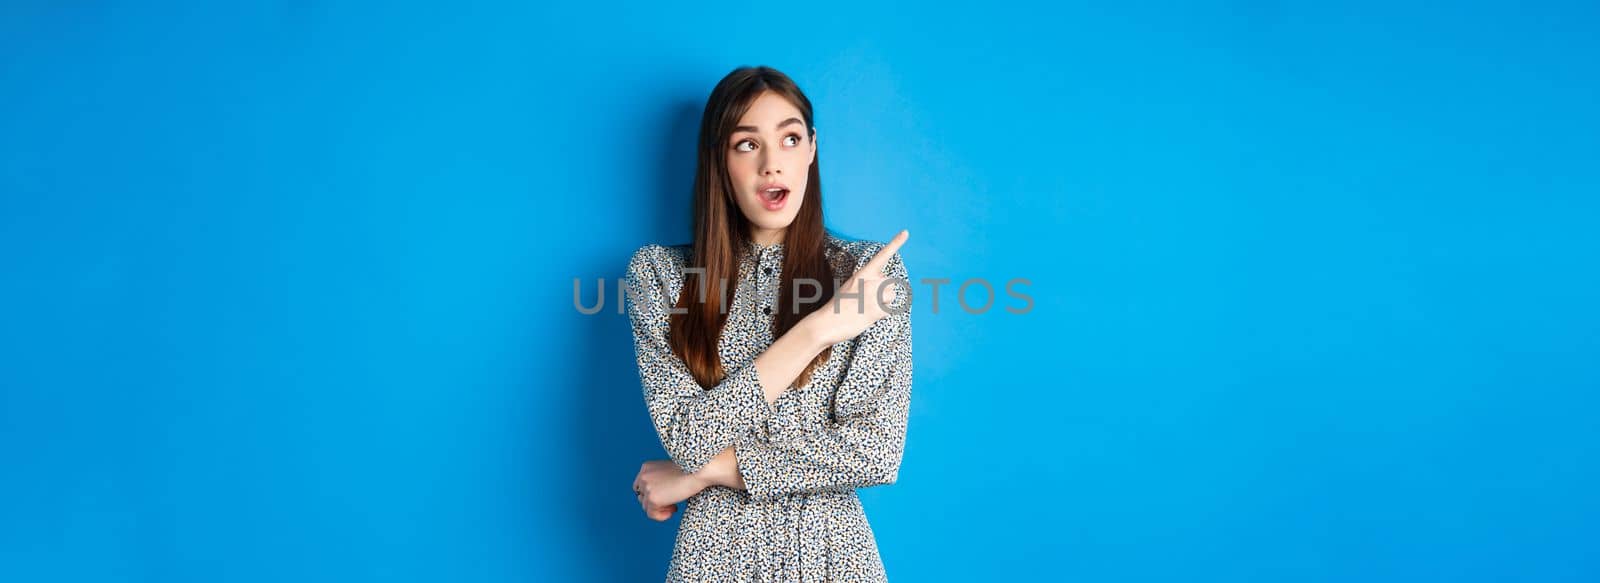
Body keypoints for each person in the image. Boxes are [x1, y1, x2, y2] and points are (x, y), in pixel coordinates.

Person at [624, 65, 914, 581]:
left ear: (812, 148)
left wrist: (703, 474)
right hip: (712, 559)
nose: (772, 164)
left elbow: (876, 452)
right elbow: (689, 439)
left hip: (833, 555)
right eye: (746, 144)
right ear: (719, 159)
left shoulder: (868, 273)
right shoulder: (661, 277)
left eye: (789, 138)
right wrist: (818, 330)